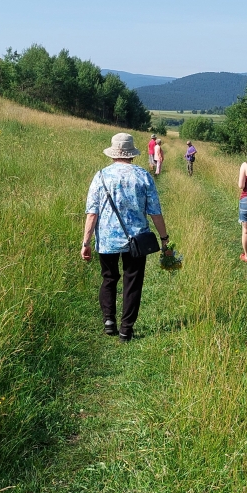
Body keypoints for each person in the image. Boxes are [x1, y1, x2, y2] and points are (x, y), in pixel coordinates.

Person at [81, 133, 172, 342]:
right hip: (137, 240)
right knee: (133, 282)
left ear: (113, 153)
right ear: (131, 154)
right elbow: (155, 212)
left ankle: (108, 321)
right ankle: (125, 330)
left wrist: (86, 242)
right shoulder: (143, 176)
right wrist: (164, 238)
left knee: (109, 278)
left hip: (107, 239)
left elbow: (92, 213)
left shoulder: (101, 176)